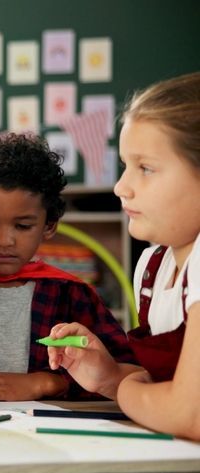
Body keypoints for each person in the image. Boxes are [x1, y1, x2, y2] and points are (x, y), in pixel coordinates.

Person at [0, 133, 134, 409]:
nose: (5, 240)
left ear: (49, 226)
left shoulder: (73, 295)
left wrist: (46, 383)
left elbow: (125, 373)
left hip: (44, 439)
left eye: (22, 226)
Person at [48, 72, 200, 440]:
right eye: (125, 165)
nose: (121, 186)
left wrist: (126, 390)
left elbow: (188, 414)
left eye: (145, 168)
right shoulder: (153, 265)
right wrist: (111, 376)